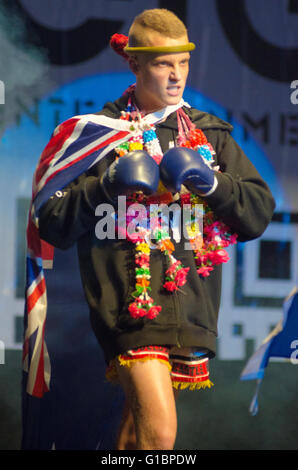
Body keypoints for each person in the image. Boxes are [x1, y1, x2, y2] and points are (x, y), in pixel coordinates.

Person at [34, 9, 275, 450]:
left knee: (133, 437)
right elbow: (50, 222)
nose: (176, 75)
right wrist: (105, 184)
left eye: (182, 62)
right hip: (129, 310)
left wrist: (213, 181)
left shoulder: (208, 135)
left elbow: (258, 212)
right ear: (135, 64)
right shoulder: (96, 137)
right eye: (164, 63)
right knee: (161, 436)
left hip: (190, 312)